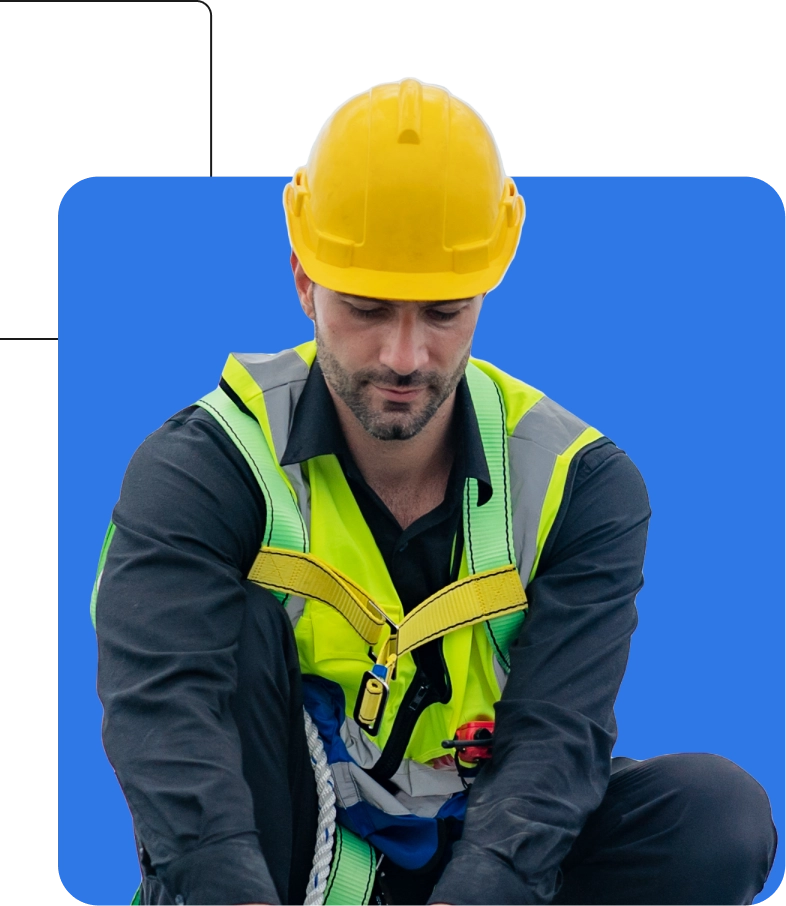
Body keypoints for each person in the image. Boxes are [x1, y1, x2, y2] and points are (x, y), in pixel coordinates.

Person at [92, 81, 777, 906]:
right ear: (304, 279)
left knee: (716, 816)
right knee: (224, 640)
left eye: (444, 311)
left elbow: (556, 738)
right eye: (368, 308)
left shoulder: (580, 484)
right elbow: (164, 720)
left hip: (481, 856)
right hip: (282, 863)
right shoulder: (202, 467)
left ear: (489, 285)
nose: (406, 356)